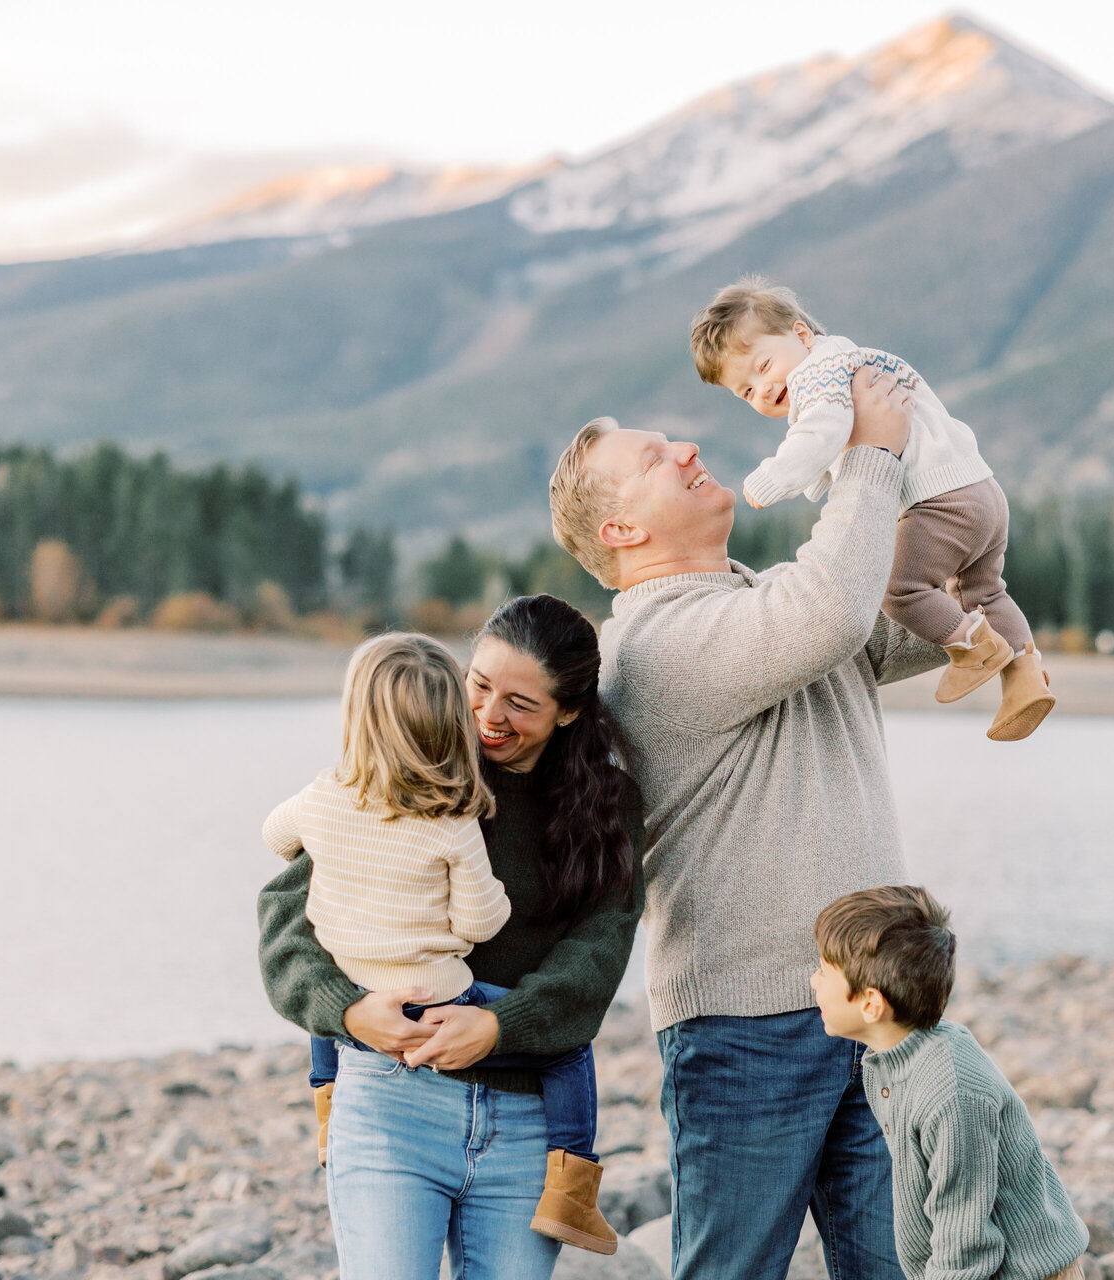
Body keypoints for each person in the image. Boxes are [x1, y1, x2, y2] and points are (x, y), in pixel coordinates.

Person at [546, 370, 936, 1280]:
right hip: (750, 1019)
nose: (687, 447)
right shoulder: (651, 650)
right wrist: (869, 456)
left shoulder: (763, 605)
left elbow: (914, 623)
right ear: (621, 532)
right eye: (654, 459)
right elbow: (831, 609)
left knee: (906, 1266)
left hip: (876, 999)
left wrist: (919, 454)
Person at [257, 595, 643, 1280]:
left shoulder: (608, 805)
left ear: (570, 710)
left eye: (521, 704)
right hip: (389, 1100)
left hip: (529, 1128)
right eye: (480, 686)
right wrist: (346, 1010)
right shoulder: (414, 767)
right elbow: (290, 920)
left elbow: (599, 952)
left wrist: (498, 1026)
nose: (490, 717)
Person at [691, 277, 1055, 742]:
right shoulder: (855, 361)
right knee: (985, 592)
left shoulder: (819, 374)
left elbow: (819, 435)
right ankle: (1025, 678)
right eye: (745, 392)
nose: (763, 389)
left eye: (763, 367)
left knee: (899, 591)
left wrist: (773, 477)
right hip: (981, 491)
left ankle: (972, 649)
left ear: (801, 336)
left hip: (938, 501)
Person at [811, 887, 1089, 1280]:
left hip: (1023, 1272)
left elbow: (966, 1237)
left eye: (823, 971)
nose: (813, 981)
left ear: (871, 1004)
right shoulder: (886, 1062)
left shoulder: (950, 1092)